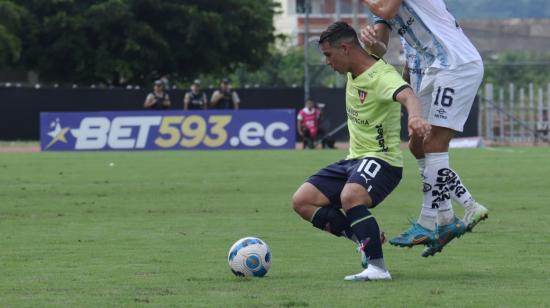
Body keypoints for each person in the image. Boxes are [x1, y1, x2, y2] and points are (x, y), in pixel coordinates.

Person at [291, 22, 431, 281]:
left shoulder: (381, 76)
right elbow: (374, 48)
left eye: (328, 54)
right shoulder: (355, 69)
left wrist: (415, 118)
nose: (327, 62)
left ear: (344, 49)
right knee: (302, 201)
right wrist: (377, 43)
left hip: (383, 160)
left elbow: (408, 94)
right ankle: (364, 236)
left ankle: (378, 268)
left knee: (351, 196)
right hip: (353, 160)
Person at [359, 0, 489, 257]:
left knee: (434, 142)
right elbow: (381, 46)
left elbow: (385, 10)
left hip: (457, 64)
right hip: (436, 67)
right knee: (417, 142)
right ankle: (447, 218)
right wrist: (371, 42)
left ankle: (428, 222)